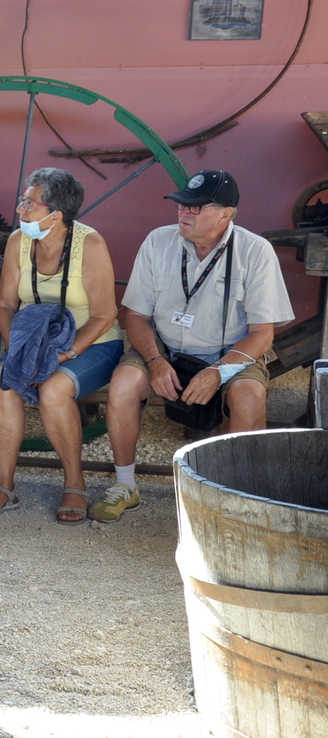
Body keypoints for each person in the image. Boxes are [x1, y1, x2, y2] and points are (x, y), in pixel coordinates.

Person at [96, 170, 293, 522]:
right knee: (124, 383)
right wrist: (154, 360)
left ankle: (234, 497)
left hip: (229, 354)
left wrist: (218, 372)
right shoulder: (158, 241)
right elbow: (135, 316)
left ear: (226, 213)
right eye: (182, 205)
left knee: (249, 395)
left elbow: (263, 334)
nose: (184, 212)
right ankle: (125, 485)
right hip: (163, 347)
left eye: (196, 207)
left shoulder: (254, 251)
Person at [0, 168, 120, 523]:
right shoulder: (18, 242)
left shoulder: (90, 244)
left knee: (54, 388)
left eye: (30, 203)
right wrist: (19, 350)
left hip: (92, 343)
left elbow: (104, 315)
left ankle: (75, 483)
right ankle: (4, 485)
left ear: (56, 214)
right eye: (22, 201)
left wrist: (63, 354)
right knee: (4, 380)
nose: (20, 209)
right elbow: (5, 304)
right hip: (33, 341)